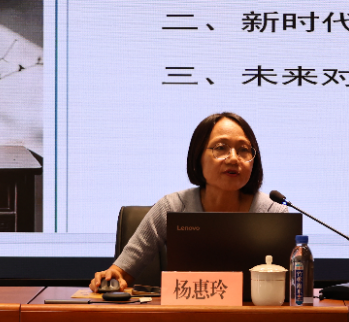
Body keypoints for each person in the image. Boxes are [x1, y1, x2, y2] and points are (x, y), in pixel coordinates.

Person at [90, 112, 289, 292]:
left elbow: (292, 287)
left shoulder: (273, 213)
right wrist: (112, 276)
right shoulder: (172, 207)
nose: (234, 158)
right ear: (198, 156)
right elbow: (121, 272)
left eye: (244, 150)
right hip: (185, 317)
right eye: (221, 148)